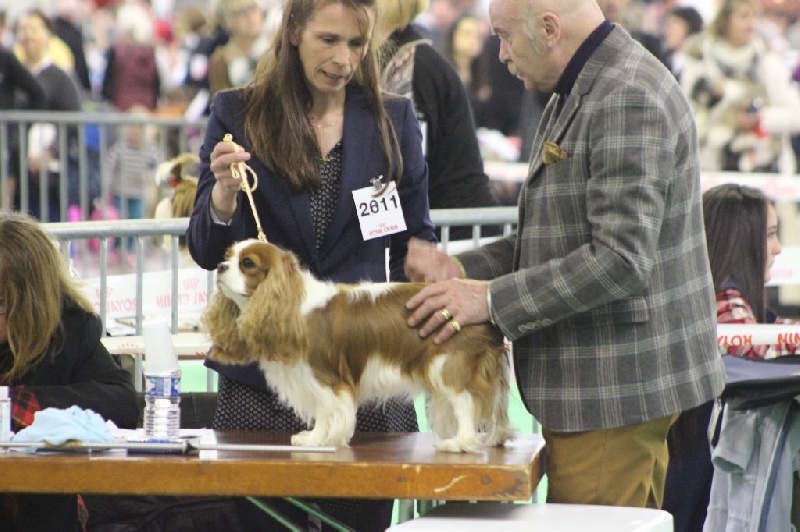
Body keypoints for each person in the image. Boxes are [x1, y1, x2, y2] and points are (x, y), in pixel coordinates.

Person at [404, 0, 726, 509]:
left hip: (612, 394)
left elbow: (619, 260)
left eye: (506, 37)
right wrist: (460, 269)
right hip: (602, 392)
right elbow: (553, 235)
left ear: (549, 29)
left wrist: (488, 301)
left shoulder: (625, 95)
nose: (502, 54)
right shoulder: (582, 85)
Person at [186, 0, 436, 530]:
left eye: (356, 44)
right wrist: (224, 197)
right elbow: (206, 249)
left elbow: (418, 233)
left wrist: (425, 258)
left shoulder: (393, 118)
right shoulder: (238, 113)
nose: (343, 59)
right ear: (294, 30)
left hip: (363, 384)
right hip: (265, 390)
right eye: (329, 40)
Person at [0, 212, 139, 531]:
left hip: (41, 508)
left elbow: (123, 402)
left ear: (31, 301)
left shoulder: (70, 333)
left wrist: (18, 404)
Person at [663, 183, 787, 531]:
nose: (778, 249)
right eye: (770, 235)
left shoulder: (704, 307)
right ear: (740, 242)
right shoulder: (728, 316)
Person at [375, 0, 499, 241]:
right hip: (446, 233)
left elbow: (406, 172)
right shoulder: (405, 60)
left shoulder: (412, 66)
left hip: (456, 239)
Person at [680, 0, 800, 173]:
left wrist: (759, 119)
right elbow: (686, 114)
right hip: (711, 166)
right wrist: (723, 120)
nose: (751, 23)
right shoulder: (699, 59)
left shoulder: (768, 62)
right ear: (725, 20)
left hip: (764, 167)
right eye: (744, 16)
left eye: (755, 16)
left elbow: (796, 115)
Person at [15, 9, 83, 222]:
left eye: (34, 29)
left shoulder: (61, 79)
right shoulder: (13, 76)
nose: (28, 35)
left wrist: (51, 152)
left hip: (50, 180)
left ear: (48, 35)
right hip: (17, 174)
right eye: (24, 29)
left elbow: (72, 124)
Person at [0, 43, 46, 210]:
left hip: (4, 150)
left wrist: (19, 127)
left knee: (3, 216)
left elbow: (37, 93)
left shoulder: (5, 57)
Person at [207, 0, 268, 99]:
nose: (250, 17)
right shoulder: (220, 59)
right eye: (240, 12)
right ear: (226, 22)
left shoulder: (277, 47)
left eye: (253, 8)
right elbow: (221, 104)